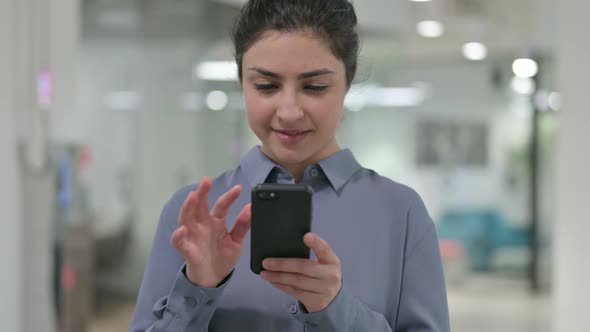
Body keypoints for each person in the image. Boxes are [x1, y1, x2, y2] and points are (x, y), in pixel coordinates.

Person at [129, 0, 450, 331]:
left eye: (314, 87)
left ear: (348, 81)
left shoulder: (401, 213)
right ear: (242, 82)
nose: (289, 112)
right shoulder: (193, 214)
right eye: (266, 86)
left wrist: (336, 310)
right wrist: (197, 289)